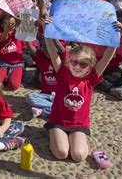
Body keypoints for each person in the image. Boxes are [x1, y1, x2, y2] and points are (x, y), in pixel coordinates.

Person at [43, 25, 117, 162]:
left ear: (91, 67)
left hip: (79, 124)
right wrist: (46, 28)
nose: (77, 67)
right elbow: (53, 52)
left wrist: (117, 35)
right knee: (61, 153)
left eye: (83, 64)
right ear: (68, 62)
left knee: (78, 156)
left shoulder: (91, 78)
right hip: (58, 121)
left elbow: (107, 57)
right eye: (74, 62)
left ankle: (68, 138)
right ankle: (53, 133)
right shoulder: (63, 73)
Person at [96, 18, 122, 100]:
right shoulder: (103, 37)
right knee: (94, 78)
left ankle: (108, 85)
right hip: (98, 67)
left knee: (119, 79)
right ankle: (110, 88)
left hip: (112, 69)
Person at [0, 14, 26, 91]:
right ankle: (6, 77)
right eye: (6, 23)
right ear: (1, 24)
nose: (9, 25)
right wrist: (6, 31)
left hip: (18, 63)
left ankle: (11, 77)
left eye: (12, 23)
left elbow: (27, 28)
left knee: (14, 86)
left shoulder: (18, 32)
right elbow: (1, 39)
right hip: (3, 63)